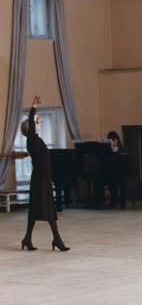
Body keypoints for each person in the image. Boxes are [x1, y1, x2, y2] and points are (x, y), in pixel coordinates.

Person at [21, 95, 69, 252]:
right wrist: (33, 107)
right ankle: (56, 239)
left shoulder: (37, 139)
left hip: (44, 179)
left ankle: (28, 238)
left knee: (40, 210)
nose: (38, 124)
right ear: (29, 129)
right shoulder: (31, 141)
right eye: (35, 124)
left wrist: (51, 179)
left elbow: (46, 163)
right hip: (39, 179)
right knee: (46, 210)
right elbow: (30, 120)